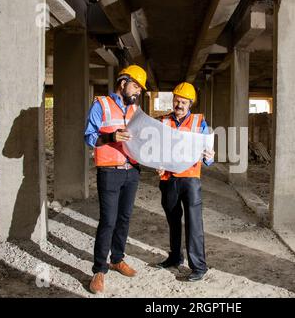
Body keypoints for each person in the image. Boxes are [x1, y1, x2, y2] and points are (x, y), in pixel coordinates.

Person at [84, 64, 147, 294]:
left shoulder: (134, 110)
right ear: (123, 83)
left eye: (140, 89)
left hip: (132, 172)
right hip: (109, 172)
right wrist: (111, 136)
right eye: (136, 86)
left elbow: (141, 140)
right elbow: (89, 137)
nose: (138, 91)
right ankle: (99, 270)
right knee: (108, 220)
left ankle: (117, 258)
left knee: (124, 218)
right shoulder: (100, 105)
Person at [156, 82, 215, 282]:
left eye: (183, 102)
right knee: (173, 221)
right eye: (176, 100)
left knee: (194, 224)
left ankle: (199, 267)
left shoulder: (200, 123)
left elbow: (208, 157)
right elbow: (155, 148)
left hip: (190, 180)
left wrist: (209, 156)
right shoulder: (163, 121)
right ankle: (174, 257)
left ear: (190, 104)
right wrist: (157, 162)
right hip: (168, 179)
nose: (179, 104)